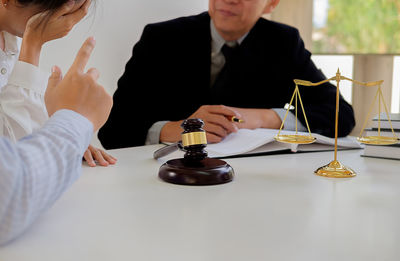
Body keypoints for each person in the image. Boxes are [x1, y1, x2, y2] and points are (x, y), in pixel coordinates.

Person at [98, 0, 356, 150]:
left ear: (271, 3)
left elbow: (340, 114)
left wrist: (264, 117)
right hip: (165, 183)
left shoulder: (283, 42)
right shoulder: (161, 39)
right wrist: (174, 130)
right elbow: (113, 130)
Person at [0, 36, 113, 245]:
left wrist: (62, 133)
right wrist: (73, 122)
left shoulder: (11, 44)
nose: (68, 25)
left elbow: (13, 148)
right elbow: (10, 191)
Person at [0, 0, 116, 166]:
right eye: (61, 14)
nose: (65, 25)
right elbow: (12, 162)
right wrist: (33, 42)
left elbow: (20, 123)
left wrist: (58, 138)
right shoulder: (26, 38)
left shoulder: (12, 38)